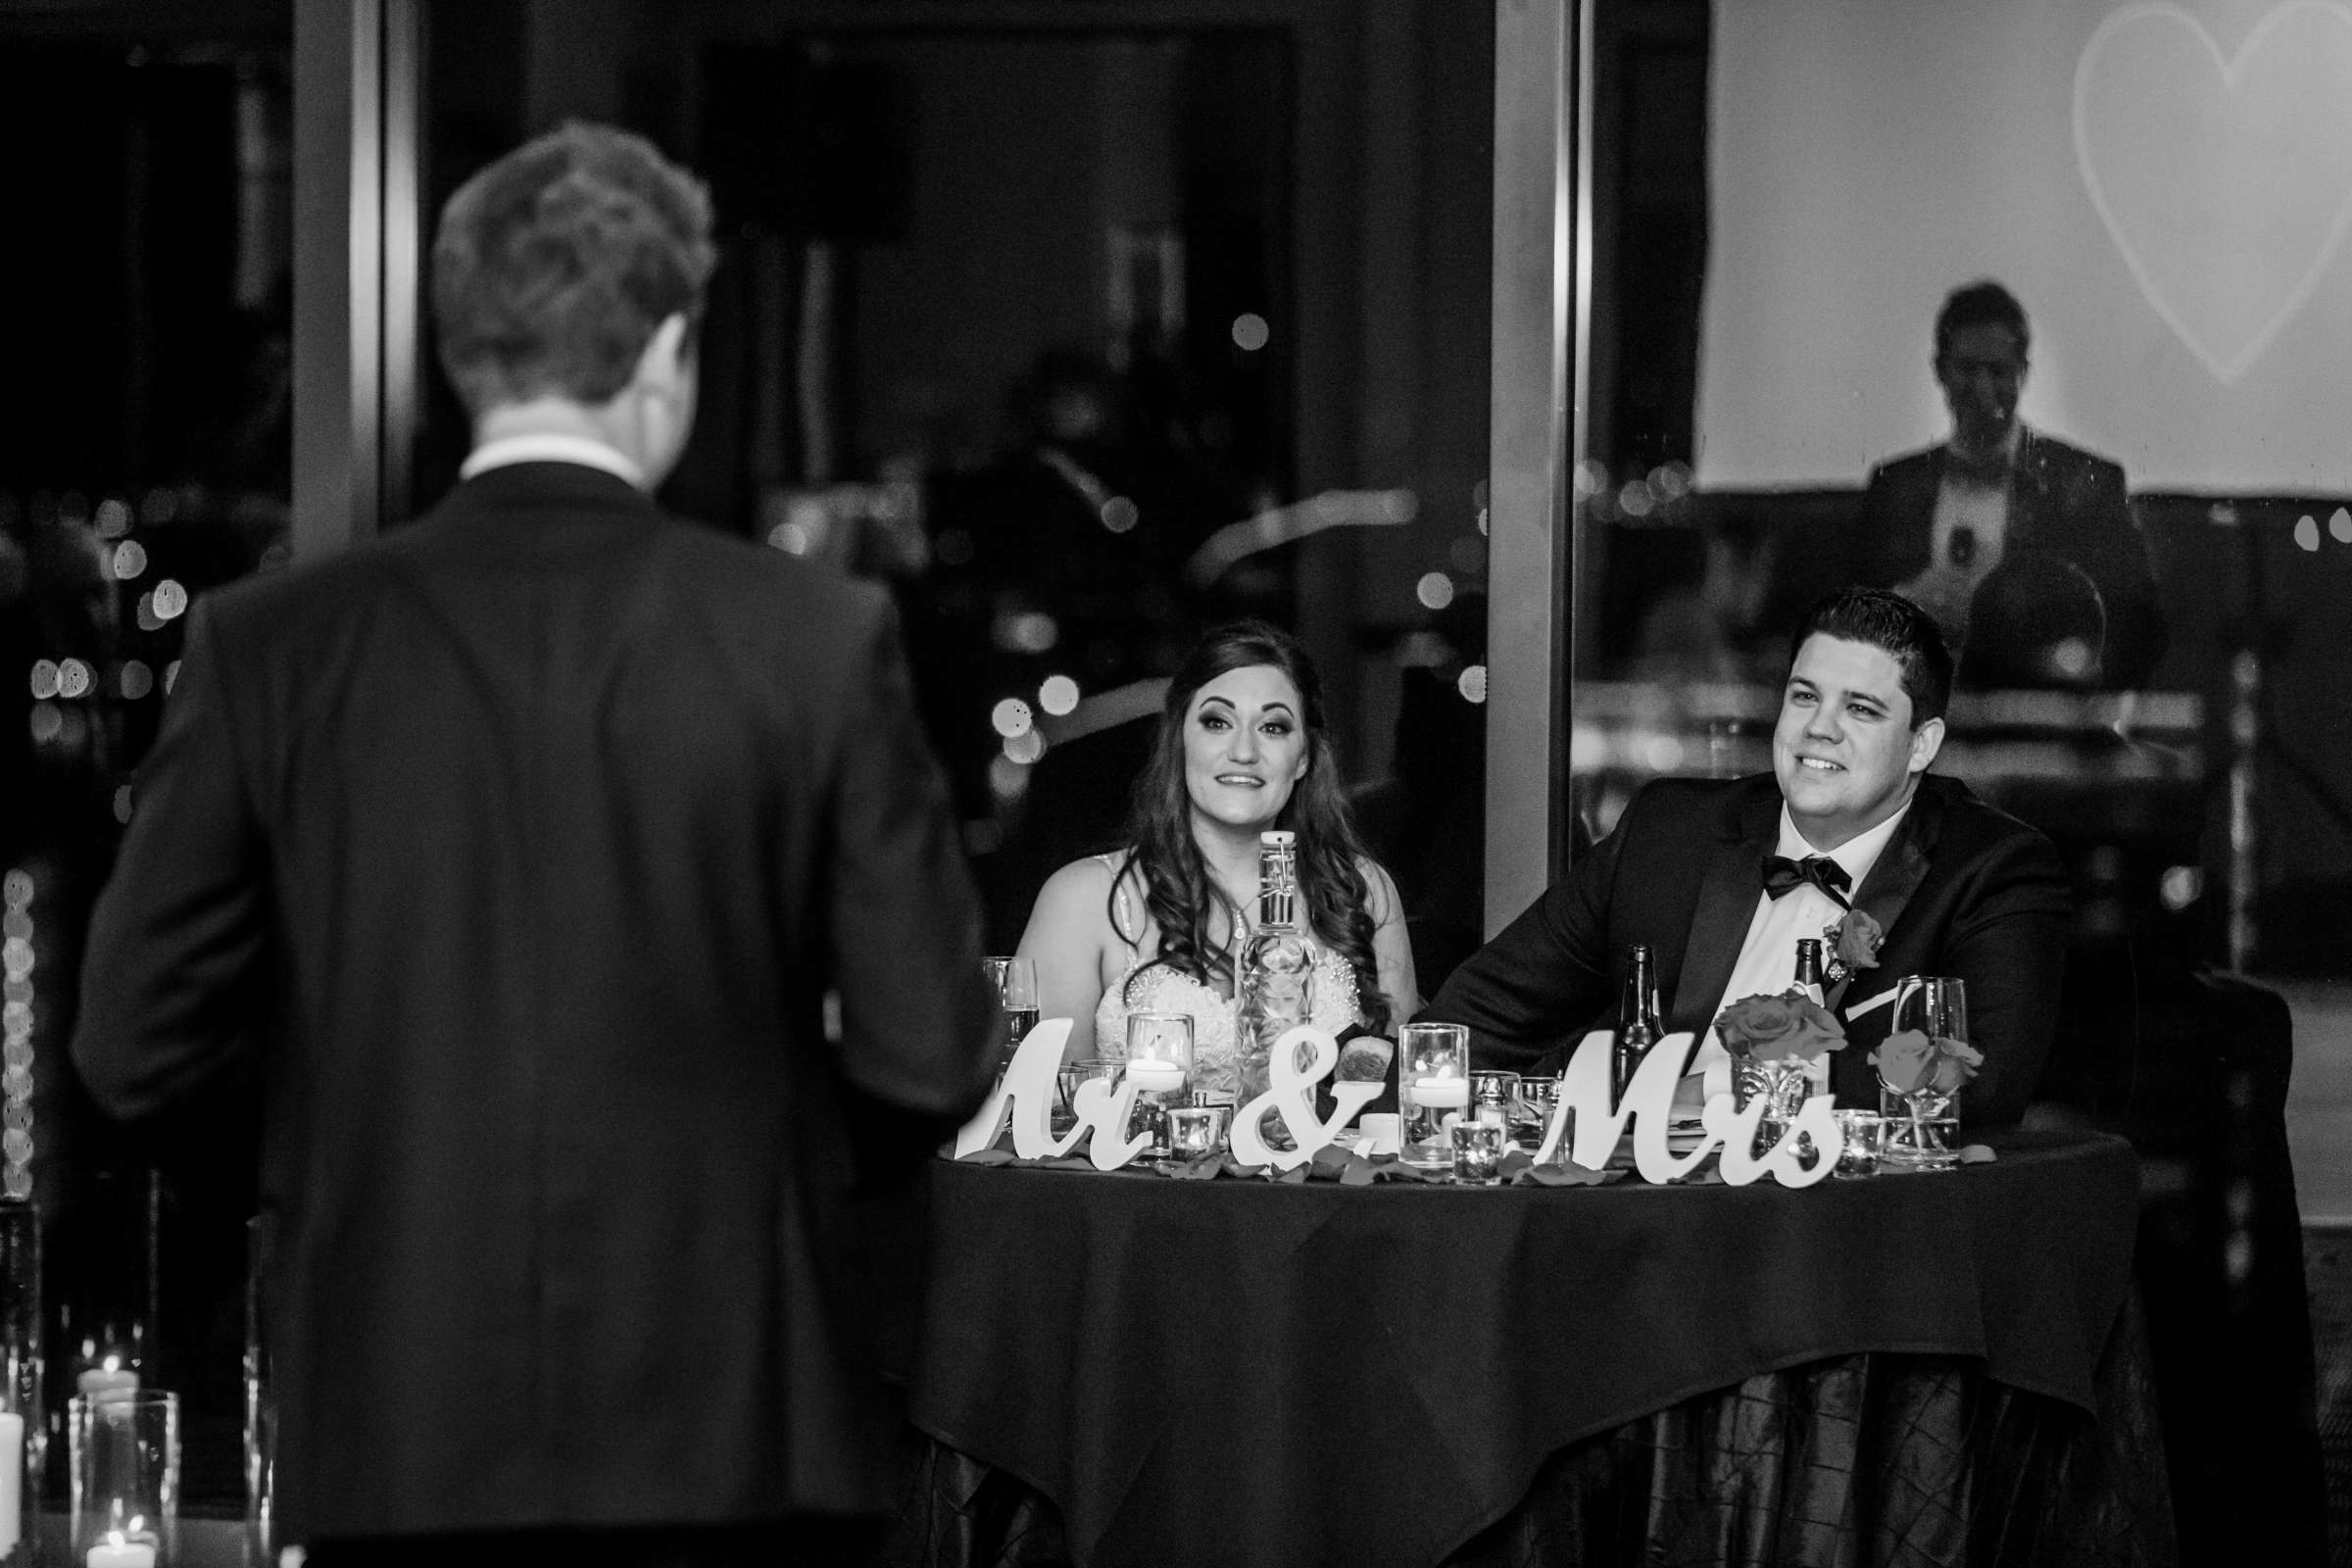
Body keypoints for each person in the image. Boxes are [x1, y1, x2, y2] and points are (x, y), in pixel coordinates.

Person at [71, 123, 997, 1567]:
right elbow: (929, 1052)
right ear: (670, 351)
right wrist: (749, 1151)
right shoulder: (812, 638)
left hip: (395, 1414)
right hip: (735, 1420)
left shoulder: (276, 646)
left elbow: (131, 1044)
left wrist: (356, 1147)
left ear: (461, 352)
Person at [1419, 587, 2070, 1127]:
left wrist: (1709, 1095)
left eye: (1862, 710)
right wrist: (1371, 1094)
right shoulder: (1669, 831)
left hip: (1833, 1239)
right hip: (1629, 1213)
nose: (1821, 727)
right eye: (1805, 696)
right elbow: (1483, 1015)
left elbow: (1978, 1088)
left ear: (1922, 745)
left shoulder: (1992, 870)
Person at [1015, 619, 1417, 1095]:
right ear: (1181, 738)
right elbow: (1046, 1114)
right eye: (1217, 722)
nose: (1244, 750)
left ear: (1304, 756)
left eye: (1273, 727)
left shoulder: (1361, 888)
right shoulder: (1083, 898)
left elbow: (1401, 1100)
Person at [1856, 280, 2165, 688]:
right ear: (1939, 371)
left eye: (1998, 371)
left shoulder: (2086, 485)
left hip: (2036, 711)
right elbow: (1848, 618)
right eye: (1967, 369)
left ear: (2023, 373)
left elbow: (2135, 620)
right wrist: (1901, 606)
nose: (1983, 389)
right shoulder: (1892, 485)